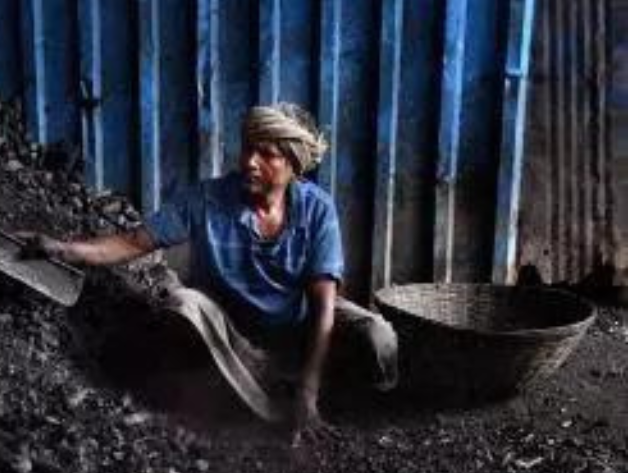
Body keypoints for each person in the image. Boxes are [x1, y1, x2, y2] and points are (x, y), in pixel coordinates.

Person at [23, 103, 398, 443]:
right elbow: (133, 242)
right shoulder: (206, 199)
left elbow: (324, 306)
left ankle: (365, 415)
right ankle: (241, 396)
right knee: (184, 304)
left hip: (297, 330)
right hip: (230, 333)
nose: (250, 162)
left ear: (293, 166)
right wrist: (62, 249)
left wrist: (308, 389)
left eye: (266, 154)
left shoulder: (317, 210)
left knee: (378, 335)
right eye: (247, 148)